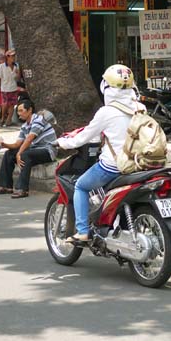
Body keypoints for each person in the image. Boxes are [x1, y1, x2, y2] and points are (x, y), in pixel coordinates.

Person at [55, 64, 142, 245]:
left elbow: (83, 138)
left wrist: (62, 142)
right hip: (140, 164)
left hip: (113, 166)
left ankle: (82, 232)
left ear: (106, 87)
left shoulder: (106, 112)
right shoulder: (140, 107)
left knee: (81, 186)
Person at [0, 98, 58, 199]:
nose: (19, 114)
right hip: (34, 150)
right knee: (9, 154)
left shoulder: (38, 120)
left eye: (21, 111)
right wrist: (3, 144)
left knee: (24, 155)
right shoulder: (25, 126)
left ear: (29, 110)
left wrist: (19, 154)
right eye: (18, 111)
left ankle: (23, 189)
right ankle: (6, 186)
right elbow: (17, 144)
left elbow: (30, 138)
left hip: (48, 151)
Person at [0, 50, 21, 127]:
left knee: (12, 105)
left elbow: (18, 78)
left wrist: (18, 73)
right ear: (7, 57)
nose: (13, 57)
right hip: (5, 88)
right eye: (12, 56)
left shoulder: (16, 65)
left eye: (14, 56)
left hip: (13, 88)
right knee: (5, 104)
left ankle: (9, 120)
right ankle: (3, 118)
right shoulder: (2, 66)